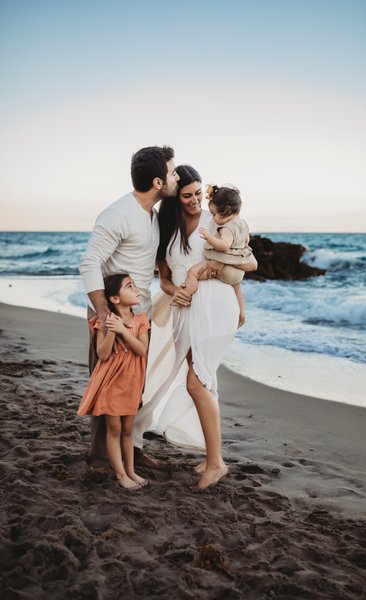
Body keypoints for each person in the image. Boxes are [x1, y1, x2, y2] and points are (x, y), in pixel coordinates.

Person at [132, 165, 257, 490]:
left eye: (199, 194)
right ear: (174, 198)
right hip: (184, 311)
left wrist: (237, 298)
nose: (195, 201)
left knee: (197, 382)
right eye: (187, 196)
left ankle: (216, 463)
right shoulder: (166, 228)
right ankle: (209, 454)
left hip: (215, 307)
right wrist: (179, 291)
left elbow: (246, 262)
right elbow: (165, 280)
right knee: (200, 380)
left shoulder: (215, 221)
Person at [79, 145, 179, 469]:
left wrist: (164, 277)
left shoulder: (150, 216)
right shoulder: (118, 214)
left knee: (133, 385)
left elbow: (141, 260)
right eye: (172, 172)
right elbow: (90, 263)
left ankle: (129, 450)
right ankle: (99, 460)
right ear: (158, 182)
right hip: (112, 314)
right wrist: (106, 316)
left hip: (138, 316)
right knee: (105, 385)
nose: (175, 176)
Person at [77, 274, 150, 490]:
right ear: (115, 299)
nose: (137, 290)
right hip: (111, 382)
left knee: (128, 429)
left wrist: (123, 331)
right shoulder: (103, 321)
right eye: (130, 287)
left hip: (132, 381)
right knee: (114, 429)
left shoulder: (141, 320)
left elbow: (141, 350)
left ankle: (130, 471)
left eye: (135, 285)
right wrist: (111, 330)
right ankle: (120, 474)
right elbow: (103, 354)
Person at [178, 184, 257, 326]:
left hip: (223, 269)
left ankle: (185, 296)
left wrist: (210, 237)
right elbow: (246, 242)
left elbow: (224, 245)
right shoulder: (243, 224)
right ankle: (241, 314)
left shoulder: (227, 227)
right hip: (237, 273)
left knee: (193, 273)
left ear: (226, 210)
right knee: (238, 291)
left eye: (214, 214)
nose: (213, 219)